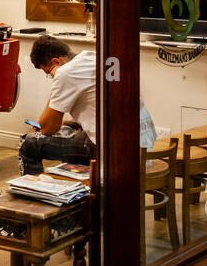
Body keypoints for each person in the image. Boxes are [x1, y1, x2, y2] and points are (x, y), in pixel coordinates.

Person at [19, 34, 158, 172]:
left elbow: (48, 128)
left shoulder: (65, 73)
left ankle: (31, 192)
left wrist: (57, 80)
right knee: (69, 131)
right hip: (144, 142)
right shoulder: (96, 57)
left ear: (56, 62)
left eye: (48, 72)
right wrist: (66, 123)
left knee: (29, 143)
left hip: (113, 151)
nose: (50, 76)